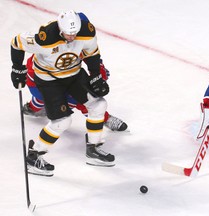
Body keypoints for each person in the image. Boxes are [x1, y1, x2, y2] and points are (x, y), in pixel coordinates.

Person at [11, 10, 117, 176]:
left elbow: (92, 53)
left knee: (99, 105)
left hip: (74, 75)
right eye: (68, 34)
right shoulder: (45, 37)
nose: (72, 37)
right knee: (62, 121)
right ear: (60, 29)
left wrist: (96, 76)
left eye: (74, 33)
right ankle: (34, 156)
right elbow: (16, 43)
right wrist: (17, 68)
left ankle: (93, 149)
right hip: (48, 80)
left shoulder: (86, 32)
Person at [24, 54, 128, 132]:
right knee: (79, 100)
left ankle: (31, 108)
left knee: (83, 97)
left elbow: (91, 55)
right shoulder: (47, 50)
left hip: (65, 80)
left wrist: (98, 73)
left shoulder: (75, 42)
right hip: (41, 84)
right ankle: (33, 108)